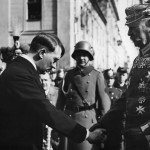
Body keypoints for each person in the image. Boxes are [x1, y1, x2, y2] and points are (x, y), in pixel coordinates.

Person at [0, 33, 106, 150]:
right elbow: (45, 110)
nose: (54, 66)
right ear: (41, 53)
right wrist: (87, 135)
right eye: (54, 60)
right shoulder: (20, 74)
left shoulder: (23, 70)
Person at [90, 3, 150, 150]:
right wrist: (103, 123)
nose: (129, 33)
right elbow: (127, 97)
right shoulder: (139, 58)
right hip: (134, 139)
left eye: (133, 28)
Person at [56, 41, 111, 150]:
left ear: (90, 57)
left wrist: (103, 127)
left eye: (85, 55)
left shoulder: (97, 75)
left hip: (87, 122)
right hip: (69, 119)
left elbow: (105, 104)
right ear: (75, 56)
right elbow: (61, 101)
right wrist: (57, 122)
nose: (81, 58)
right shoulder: (69, 74)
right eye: (79, 55)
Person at [103, 69, 123, 150]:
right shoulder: (100, 91)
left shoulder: (118, 92)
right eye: (107, 78)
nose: (109, 81)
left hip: (115, 125)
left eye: (111, 78)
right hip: (103, 122)